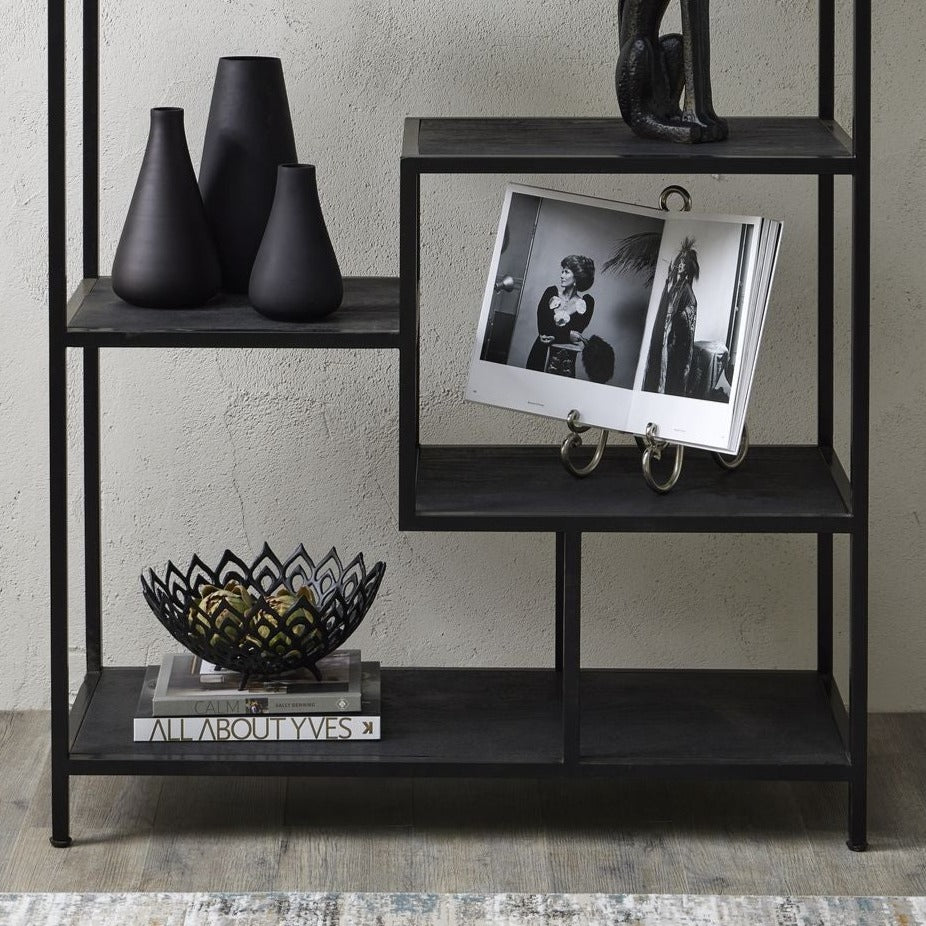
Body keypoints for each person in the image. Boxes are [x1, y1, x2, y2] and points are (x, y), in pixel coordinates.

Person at [642, 237, 700, 395]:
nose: (681, 265)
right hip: (664, 332)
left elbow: (691, 308)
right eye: (679, 262)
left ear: (688, 267)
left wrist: (676, 321)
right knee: (655, 364)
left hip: (673, 340)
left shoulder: (687, 290)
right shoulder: (674, 286)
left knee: (668, 375)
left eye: (684, 263)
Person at [525, 255, 596, 377]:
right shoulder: (550, 293)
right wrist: (567, 335)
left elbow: (578, 330)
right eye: (562, 271)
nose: (561, 275)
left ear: (576, 277)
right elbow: (544, 328)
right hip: (540, 353)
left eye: (566, 272)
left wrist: (559, 333)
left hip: (565, 362)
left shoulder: (585, 304)